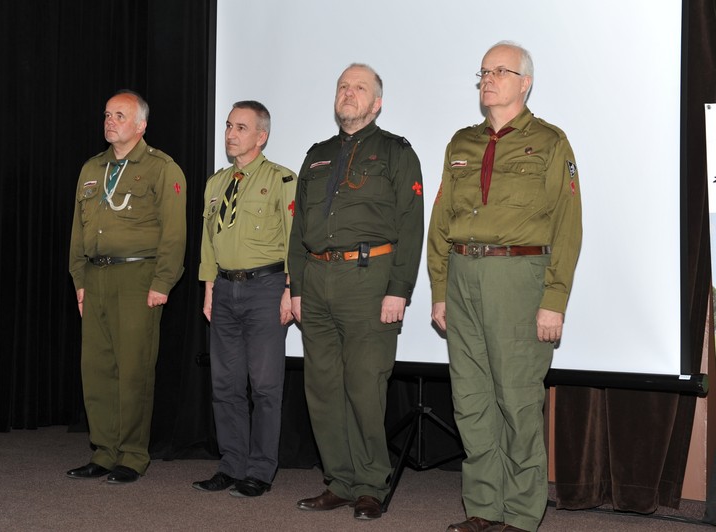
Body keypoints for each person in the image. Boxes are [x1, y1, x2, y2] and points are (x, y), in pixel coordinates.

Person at [427, 41, 582, 532]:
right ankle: (482, 509)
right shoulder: (461, 143)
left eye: (500, 71)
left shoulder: (552, 142)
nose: (488, 79)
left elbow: (567, 225)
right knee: (471, 400)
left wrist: (553, 300)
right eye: (483, 72)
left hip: (518, 279)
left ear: (525, 82)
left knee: (517, 400)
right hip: (463, 276)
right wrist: (438, 289)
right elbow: (440, 221)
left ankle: (519, 515)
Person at [288, 63, 424, 520]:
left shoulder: (395, 152)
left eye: (359, 88)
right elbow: (299, 229)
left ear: (377, 102)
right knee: (322, 388)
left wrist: (399, 289)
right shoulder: (317, 153)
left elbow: (411, 223)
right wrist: (297, 286)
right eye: (343, 87)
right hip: (318, 280)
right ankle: (340, 481)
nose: (349, 93)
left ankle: (370, 484)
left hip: (369, 279)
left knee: (365, 386)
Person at [67, 89, 187, 484]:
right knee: (97, 369)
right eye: (107, 114)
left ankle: (132, 456)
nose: (110, 121)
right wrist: (79, 279)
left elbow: (174, 235)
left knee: (134, 369)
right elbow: (77, 232)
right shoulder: (91, 168)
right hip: (96, 277)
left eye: (119, 115)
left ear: (141, 125)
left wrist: (162, 283)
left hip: (138, 278)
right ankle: (103, 451)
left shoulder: (161, 168)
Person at [193, 100, 297, 497]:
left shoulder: (283, 180)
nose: (231, 134)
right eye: (228, 126)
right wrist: (208, 288)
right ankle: (231, 464)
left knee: (265, 386)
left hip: (266, 289)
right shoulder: (217, 183)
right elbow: (209, 241)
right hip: (223, 289)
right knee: (225, 385)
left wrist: (290, 290)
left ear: (261, 136)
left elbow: (292, 240)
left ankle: (260, 469)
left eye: (240, 127)